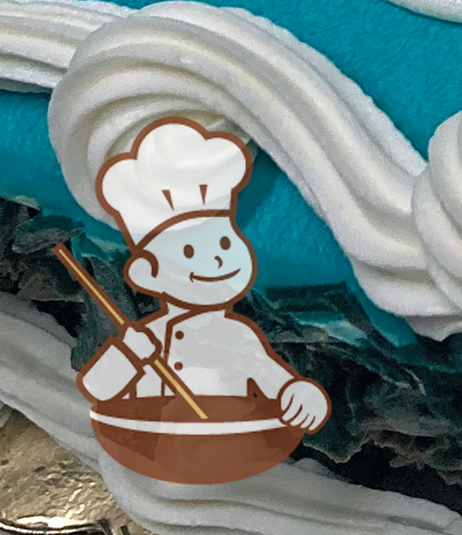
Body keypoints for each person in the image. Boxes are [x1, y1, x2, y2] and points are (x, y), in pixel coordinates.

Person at [76, 116, 329, 432]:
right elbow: (98, 387)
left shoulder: (239, 337)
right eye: (189, 252)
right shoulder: (147, 338)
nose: (218, 260)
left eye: (225, 242)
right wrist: (127, 355)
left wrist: (303, 396)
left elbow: (278, 382)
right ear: (147, 274)